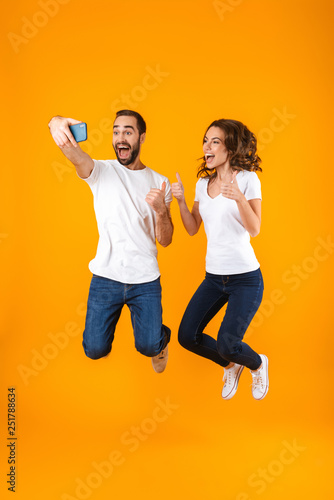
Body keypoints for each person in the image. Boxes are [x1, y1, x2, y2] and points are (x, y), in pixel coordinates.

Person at [48, 110, 173, 373]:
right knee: (94, 349)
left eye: (128, 131)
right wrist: (56, 123)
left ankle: (161, 341)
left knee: (149, 346)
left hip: (145, 280)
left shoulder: (161, 182)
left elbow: (166, 240)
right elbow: (74, 155)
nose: (120, 138)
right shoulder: (100, 171)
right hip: (106, 277)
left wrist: (161, 210)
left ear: (142, 137)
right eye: (116, 131)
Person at [172, 118, 268, 400]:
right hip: (213, 279)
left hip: (246, 280)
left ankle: (258, 363)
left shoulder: (248, 180)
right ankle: (231, 366)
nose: (207, 147)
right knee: (187, 336)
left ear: (230, 148)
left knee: (228, 343)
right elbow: (192, 228)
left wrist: (239, 197)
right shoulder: (203, 184)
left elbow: (255, 229)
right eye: (206, 140)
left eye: (215, 141)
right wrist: (179, 201)